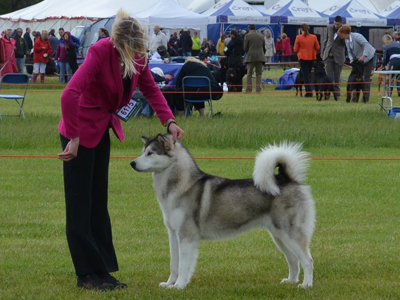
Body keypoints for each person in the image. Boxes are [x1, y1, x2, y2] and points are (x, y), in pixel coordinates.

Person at [57, 9, 184, 291]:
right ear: (118, 44)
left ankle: (102, 271)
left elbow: (150, 88)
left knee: (98, 204)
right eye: (134, 49)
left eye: (142, 49)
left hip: (101, 128)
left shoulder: (137, 54)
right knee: (80, 207)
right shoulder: (101, 52)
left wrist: (169, 120)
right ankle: (86, 276)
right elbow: (69, 95)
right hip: (78, 131)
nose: (139, 55)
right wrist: (74, 138)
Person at [337, 25, 375, 103]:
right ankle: (355, 99)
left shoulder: (357, 36)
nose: (341, 37)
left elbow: (366, 45)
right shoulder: (347, 40)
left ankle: (365, 99)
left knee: (366, 79)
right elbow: (349, 51)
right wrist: (351, 59)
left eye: (341, 35)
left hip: (368, 58)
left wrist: (364, 56)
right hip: (358, 61)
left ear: (345, 33)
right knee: (355, 79)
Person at [320, 16, 346, 101]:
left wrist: (342, 36)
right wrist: (323, 51)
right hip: (328, 55)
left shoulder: (344, 30)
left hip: (338, 56)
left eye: (337, 24)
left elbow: (346, 43)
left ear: (341, 23)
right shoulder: (329, 27)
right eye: (335, 23)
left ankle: (337, 94)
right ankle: (326, 94)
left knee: (337, 77)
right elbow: (326, 40)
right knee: (328, 76)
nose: (336, 25)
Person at [294, 24, 320, 98]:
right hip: (311, 57)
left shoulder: (298, 37)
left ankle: (309, 92)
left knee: (305, 76)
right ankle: (310, 90)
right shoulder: (314, 37)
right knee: (308, 74)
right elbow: (317, 48)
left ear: (301, 29)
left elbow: (295, 49)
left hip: (302, 58)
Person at [244, 24, 266, 93]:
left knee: (249, 73)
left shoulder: (247, 36)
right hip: (260, 56)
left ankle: (249, 89)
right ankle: (258, 89)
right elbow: (263, 47)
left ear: (249, 29)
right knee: (259, 74)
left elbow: (245, 48)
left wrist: (249, 51)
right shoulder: (261, 36)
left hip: (251, 56)